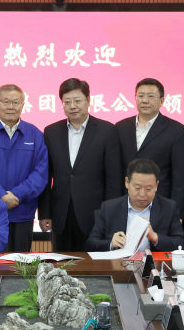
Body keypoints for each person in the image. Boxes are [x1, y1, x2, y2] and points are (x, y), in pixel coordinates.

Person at [38, 78, 123, 251]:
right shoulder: (51, 131)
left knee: (94, 264)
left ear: (88, 100)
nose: (72, 106)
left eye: (77, 100)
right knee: (62, 262)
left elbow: (114, 179)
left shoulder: (107, 131)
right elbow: (46, 176)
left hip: (95, 215)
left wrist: (111, 216)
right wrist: (44, 213)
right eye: (67, 102)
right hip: (61, 214)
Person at [0, 84, 48, 252]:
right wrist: (1, 196)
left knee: (21, 262)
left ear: (23, 104)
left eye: (15, 102)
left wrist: (17, 194)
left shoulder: (35, 134)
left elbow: (40, 173)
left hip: (23, 211)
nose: (11, 106)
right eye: (6, 101)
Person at [115, 78, 184, 217]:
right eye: (141, 96)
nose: (145, 101)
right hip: (125, 204)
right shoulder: (120, 127)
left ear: (162, 100)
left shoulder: (176, 130)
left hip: (160, 205)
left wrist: (177, 213)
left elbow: (180, 177)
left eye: (151, 96)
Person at [86, 158, 184, 252]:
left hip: (153, 263)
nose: (142, 194)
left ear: (156, 186)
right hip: (119, 262)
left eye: (148, 189)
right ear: (127, 183)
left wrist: (155, 237)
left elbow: (181, 243)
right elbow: (90, 244)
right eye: (137, 188)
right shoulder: (109, 208)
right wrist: (111, 244)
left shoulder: (169, 207)